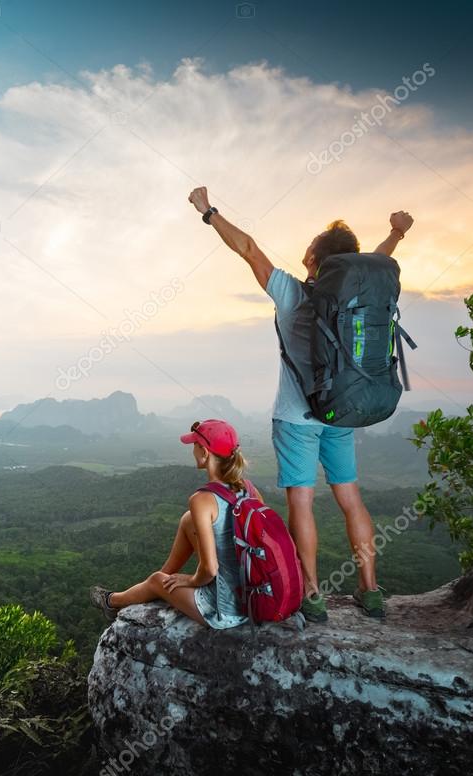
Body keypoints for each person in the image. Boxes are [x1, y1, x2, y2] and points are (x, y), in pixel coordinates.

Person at [186, 186, 413, 621]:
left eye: (309, 250)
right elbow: (379, 263)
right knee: (350, 498)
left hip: (296, 419)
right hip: (344, 408)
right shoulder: (356, 297)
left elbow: (248, 248)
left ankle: (312, 593)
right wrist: (396, 234)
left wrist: (209, 211)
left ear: (314, 260)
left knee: (302, 502)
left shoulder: (292, 293)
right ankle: (370, 589)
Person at [90, 419, 257, 628]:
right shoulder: (249, 489)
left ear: (204, 452)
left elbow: (210, 569)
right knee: (188, 520)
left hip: (227, 609)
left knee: (155, 580)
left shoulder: (202, 499)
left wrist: (190, 580)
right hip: (251, 593)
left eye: (194, 446)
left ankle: (111, 602)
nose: (193, 451)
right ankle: (162, 584)